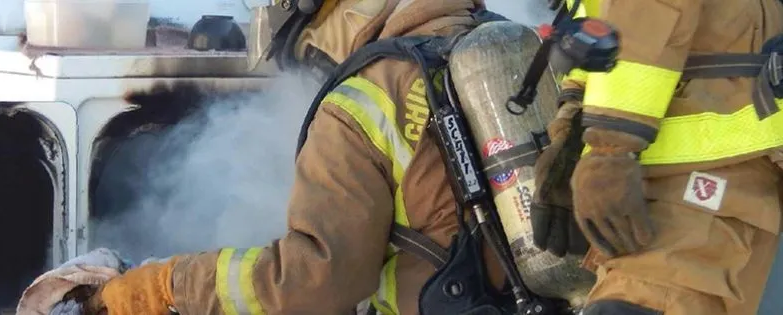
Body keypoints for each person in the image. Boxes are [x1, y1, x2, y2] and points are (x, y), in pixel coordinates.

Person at [77, 0, 515, 314]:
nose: (320, 67)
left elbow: (313, 281)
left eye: (309, 51)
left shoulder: (365, 98)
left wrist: (165, 286)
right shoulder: (516, 57)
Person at [532, 0, 783, 314]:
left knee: (651, 297)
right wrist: (574, 126)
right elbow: (603, 20)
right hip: (718, 163)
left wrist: (609, 148)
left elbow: (648, 12)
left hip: (709, 160)